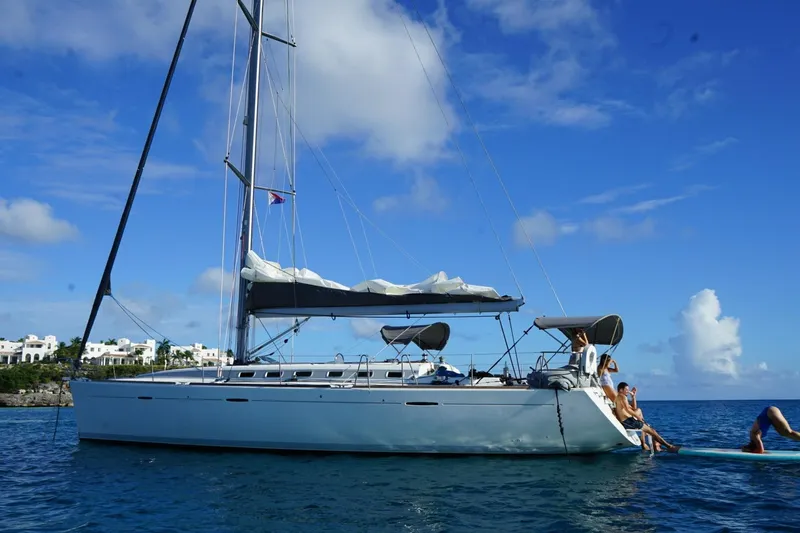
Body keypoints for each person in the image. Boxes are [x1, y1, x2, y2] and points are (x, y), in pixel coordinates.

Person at [614, 382, 679, 452]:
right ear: (621, 390)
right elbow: (627, 410)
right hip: (627, 422)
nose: (628, 391)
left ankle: (650, 443)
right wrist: (639, 418)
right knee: (652, 431)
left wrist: (633, 396)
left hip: (629, 420)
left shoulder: (620, 397)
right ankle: (669, 446)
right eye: (626, 389)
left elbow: (633, 408)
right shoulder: (622, 397)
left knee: (642, 417)